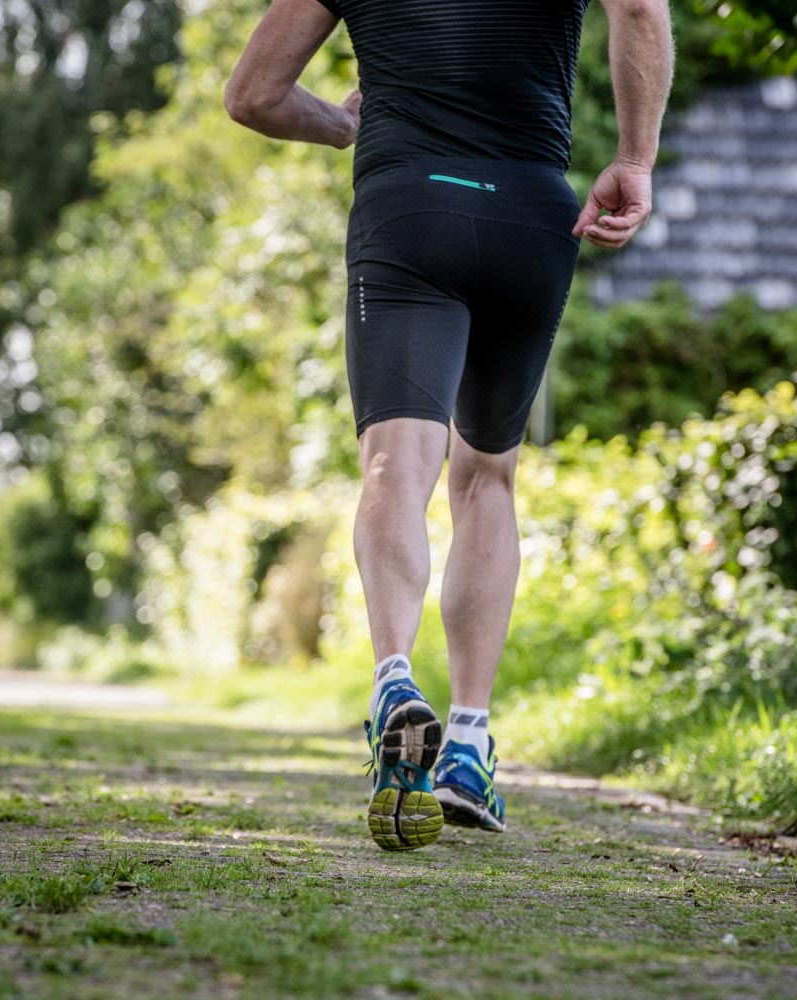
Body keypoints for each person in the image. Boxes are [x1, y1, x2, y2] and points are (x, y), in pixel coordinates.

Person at [226, 0, 674, 851]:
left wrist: (339, 124)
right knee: (486, 479)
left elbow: (253, 95)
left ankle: (394, 679)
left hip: (410, 210)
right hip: (533, 215)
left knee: (396, 464)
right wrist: (634, 159)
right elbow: (642, 7)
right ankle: (468, 743)